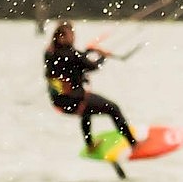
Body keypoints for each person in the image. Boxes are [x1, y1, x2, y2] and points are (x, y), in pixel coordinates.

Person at [44, 20, 141, 152]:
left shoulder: (50, 53)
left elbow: (72, 62)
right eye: (71, 35)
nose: (73, 37)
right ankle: (134, 145)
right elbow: (93, 66)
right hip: (74, 100)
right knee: (113, 108)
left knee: (86, 110)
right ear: (61, 37)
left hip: (59, 102)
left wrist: (87, 52)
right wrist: (102, 56)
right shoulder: (72, 55)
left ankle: (90, 144)